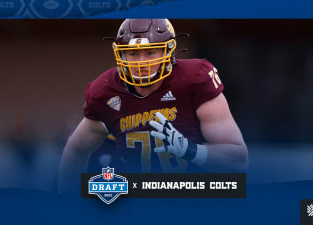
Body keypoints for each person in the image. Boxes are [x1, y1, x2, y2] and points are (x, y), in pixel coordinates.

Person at [58, 19, 248, 193]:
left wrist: (190, 150)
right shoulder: (106, 91)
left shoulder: (194, 80)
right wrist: (67, 202)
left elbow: (238, 161)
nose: (142, 62)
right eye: (133, 53)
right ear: (121, 55)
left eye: (150, 52)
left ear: (168, 51)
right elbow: (75, 150)